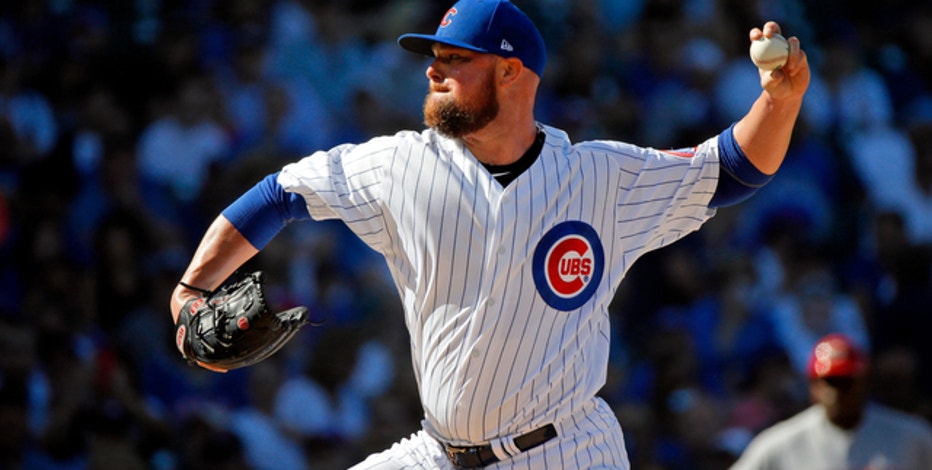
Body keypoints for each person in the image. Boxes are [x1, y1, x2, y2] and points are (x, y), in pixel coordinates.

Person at [169, 0, 810, 468]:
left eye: (455, 59)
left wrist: (777, 104)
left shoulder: (596, 177)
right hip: (437, 452)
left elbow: (729, 169)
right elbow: (280, 194)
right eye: (434, 58)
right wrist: (192, 290)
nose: (433, 71)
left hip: (566, 452)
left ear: (510, 73)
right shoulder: (401, 165)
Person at [730, 333, 932, 470]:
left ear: (865, 383)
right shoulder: (780, 444)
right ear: (813, 386)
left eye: (846, 382)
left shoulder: (912, 437)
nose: (835, 392)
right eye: (828, 382)